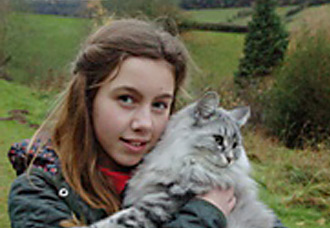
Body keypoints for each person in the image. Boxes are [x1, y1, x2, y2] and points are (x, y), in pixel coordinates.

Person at [7, 19, 286, 228]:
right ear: (87, 98)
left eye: (159, 105)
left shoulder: (197, 175)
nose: (144, 124)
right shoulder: (37, 191)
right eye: (127, 99)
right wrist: (204, 215)